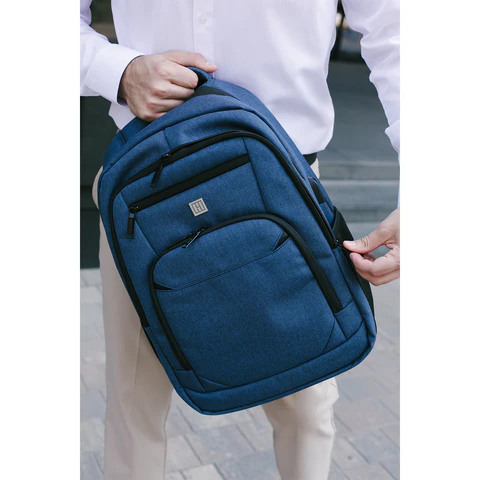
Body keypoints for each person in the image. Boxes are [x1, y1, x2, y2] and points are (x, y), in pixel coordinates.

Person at [81, 1, 400, 478]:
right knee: (133, 406)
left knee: (307, 408)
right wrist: (118, 71)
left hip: (283, 180)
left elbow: (396, 33)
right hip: (145, 187)